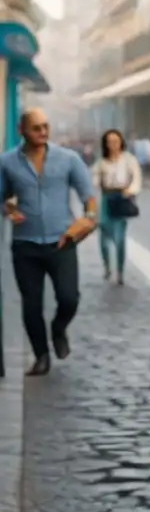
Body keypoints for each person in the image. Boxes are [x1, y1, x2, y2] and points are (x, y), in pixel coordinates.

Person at [0, 109, 97, 376]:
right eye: (36, 128)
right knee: (31, 304)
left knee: (69, 298)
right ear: (22, 131)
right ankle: (41, 356)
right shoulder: (7, 162)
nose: (43, 132)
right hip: (25, 245)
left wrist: (86, 221)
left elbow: (88, 198)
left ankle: (58, 328)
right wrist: (8, 209)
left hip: (62, 241)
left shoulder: (69, 159)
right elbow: (2, 198)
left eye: (45, 126)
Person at [92, 128, 143, 285]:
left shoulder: (129, 159)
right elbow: (94, 179)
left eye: (115, 141)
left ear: (121, 142)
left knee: (120, 238)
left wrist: (131, 190)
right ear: (105, 144)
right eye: (109, 142)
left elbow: (136, 178)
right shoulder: (101, 162)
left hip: (122, 198)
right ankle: (107, 266)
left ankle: (120, 272)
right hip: (106, 198)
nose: (113, 144)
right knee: (103, 237)